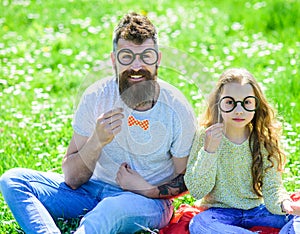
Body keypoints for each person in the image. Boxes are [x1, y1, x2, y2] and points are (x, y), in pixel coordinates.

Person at [0, 12, 196, 233]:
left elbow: (187, 178)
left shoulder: (176, 108)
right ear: (114, 60)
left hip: (144, 202)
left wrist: (147, 189)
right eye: (126, 57)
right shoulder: (97, 96)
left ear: (158, 59)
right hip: (89, 192)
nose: (137, 66)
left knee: (110, 208)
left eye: (146, 56)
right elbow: (72, 179)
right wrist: (96, 142)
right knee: (13, 181)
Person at [184, 68, 300, 233]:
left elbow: (272, 187)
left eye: (246, 102)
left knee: (296, 218)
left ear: (256, 104)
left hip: (258, 210)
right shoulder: (206, 136)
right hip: (219, 212)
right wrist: (209, 151)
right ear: (219, 103)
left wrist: (285, 205)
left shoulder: (262, 138)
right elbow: (197, 190)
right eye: (230, 102)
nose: (239, 110)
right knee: (199, 224)